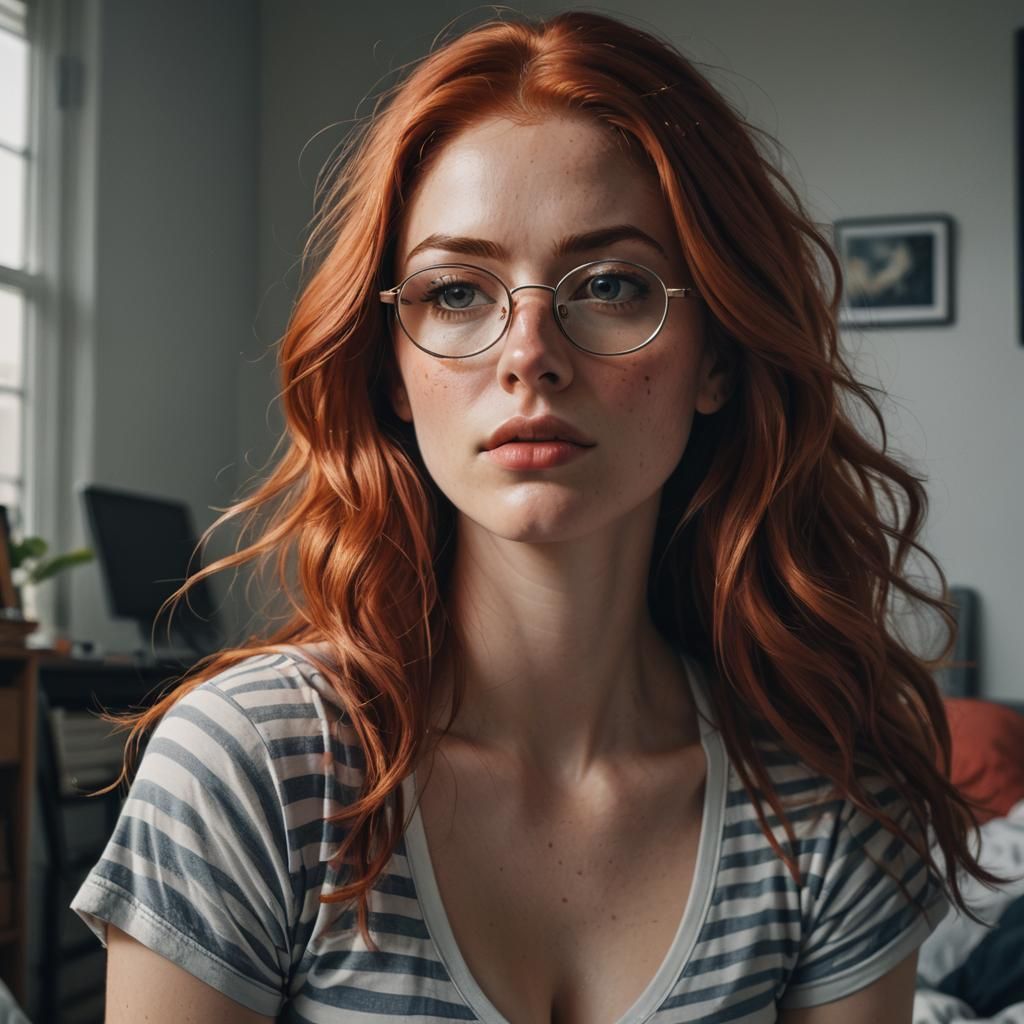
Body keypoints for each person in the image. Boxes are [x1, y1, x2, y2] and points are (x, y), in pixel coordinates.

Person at [71, 10, 1006, 1023]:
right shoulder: (249, 771)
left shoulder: (830, 803)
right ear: (392, 369)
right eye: (456, 292)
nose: (528, 352)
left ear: (718, 358)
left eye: (609, 284)